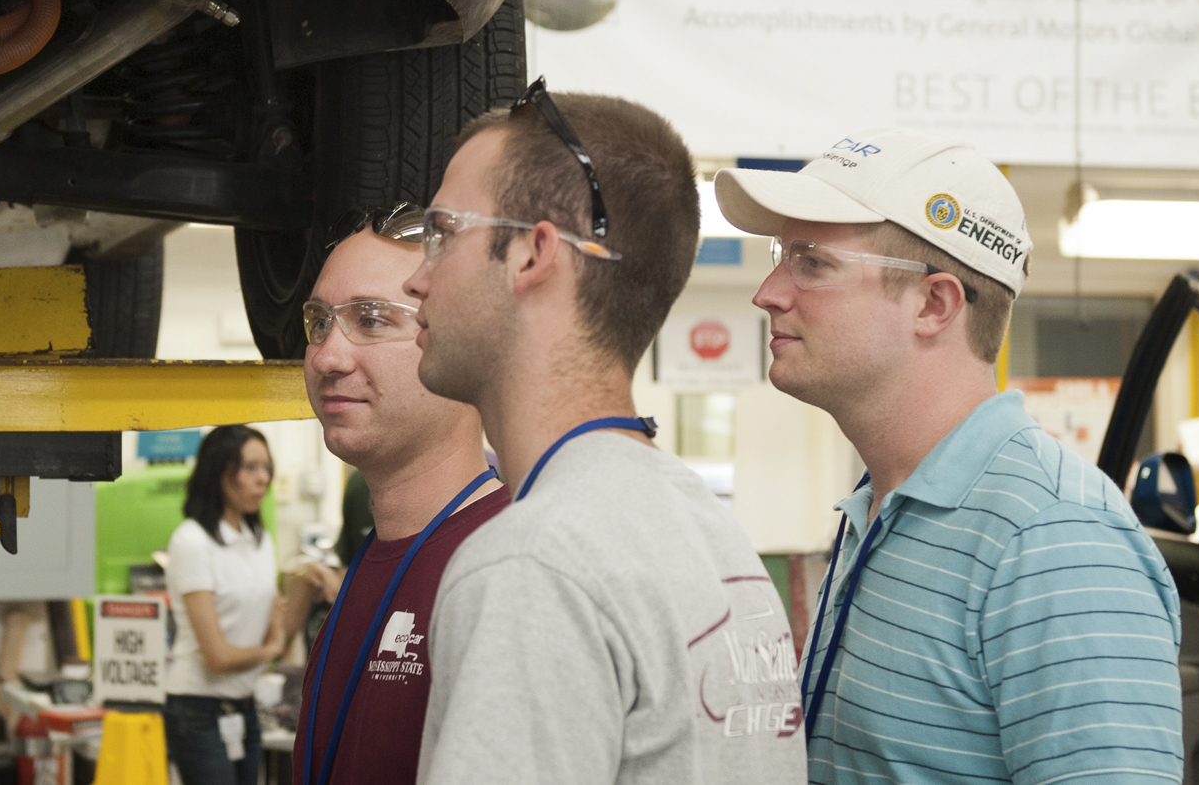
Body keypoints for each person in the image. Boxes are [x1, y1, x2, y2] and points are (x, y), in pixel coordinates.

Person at [715, 128, 1183, 783]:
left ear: (934, 303)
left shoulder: (1054, 539)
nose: (769, 290)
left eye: (810, 261)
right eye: (780, 254)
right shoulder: (881, 508)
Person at [407, 81, 804, 785]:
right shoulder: (714, 540)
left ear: (532, 254)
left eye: (441, 232)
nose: (416, 276)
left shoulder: (532, 566)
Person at [293, 204, 507, 785]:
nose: (327, 357)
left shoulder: (508, 565)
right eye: (319, 322)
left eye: (371, 319)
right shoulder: (374, 555)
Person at [164, 424, 306, 785]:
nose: (263, 480)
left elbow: (278, 625)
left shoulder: (259, 539)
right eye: (251, 468)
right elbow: (219, 657)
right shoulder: (192, 542)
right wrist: (271, 648)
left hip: (245, 705)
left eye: (267, 468)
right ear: (219, 471)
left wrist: (309, 581)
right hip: (197, 708)